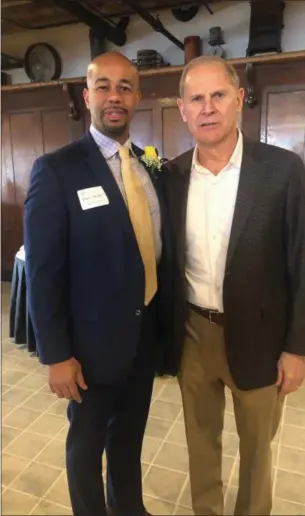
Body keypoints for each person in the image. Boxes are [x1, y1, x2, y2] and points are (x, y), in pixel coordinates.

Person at [162, 55, 305, 516]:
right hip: (193, 331)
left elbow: (302, 263)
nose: (207, 107)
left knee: (257, 448)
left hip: (261, 335)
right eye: (196, 98)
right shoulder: (170, 177)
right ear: (182, 108)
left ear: (239, 101)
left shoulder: (282, 170)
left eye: (218, 95)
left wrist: (296, 349)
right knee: (200, 439)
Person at [24, 51, 174, 516]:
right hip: (87, 350)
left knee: (129, 438)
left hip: (142, 336)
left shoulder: (150, 168)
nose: (115, 96)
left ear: (137, 97)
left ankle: (130, 508)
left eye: (125, 87)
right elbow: (43, 273)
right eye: (104, 86)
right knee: (86, 448)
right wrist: (56, 355)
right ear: (87, 96)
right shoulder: (57, 170)